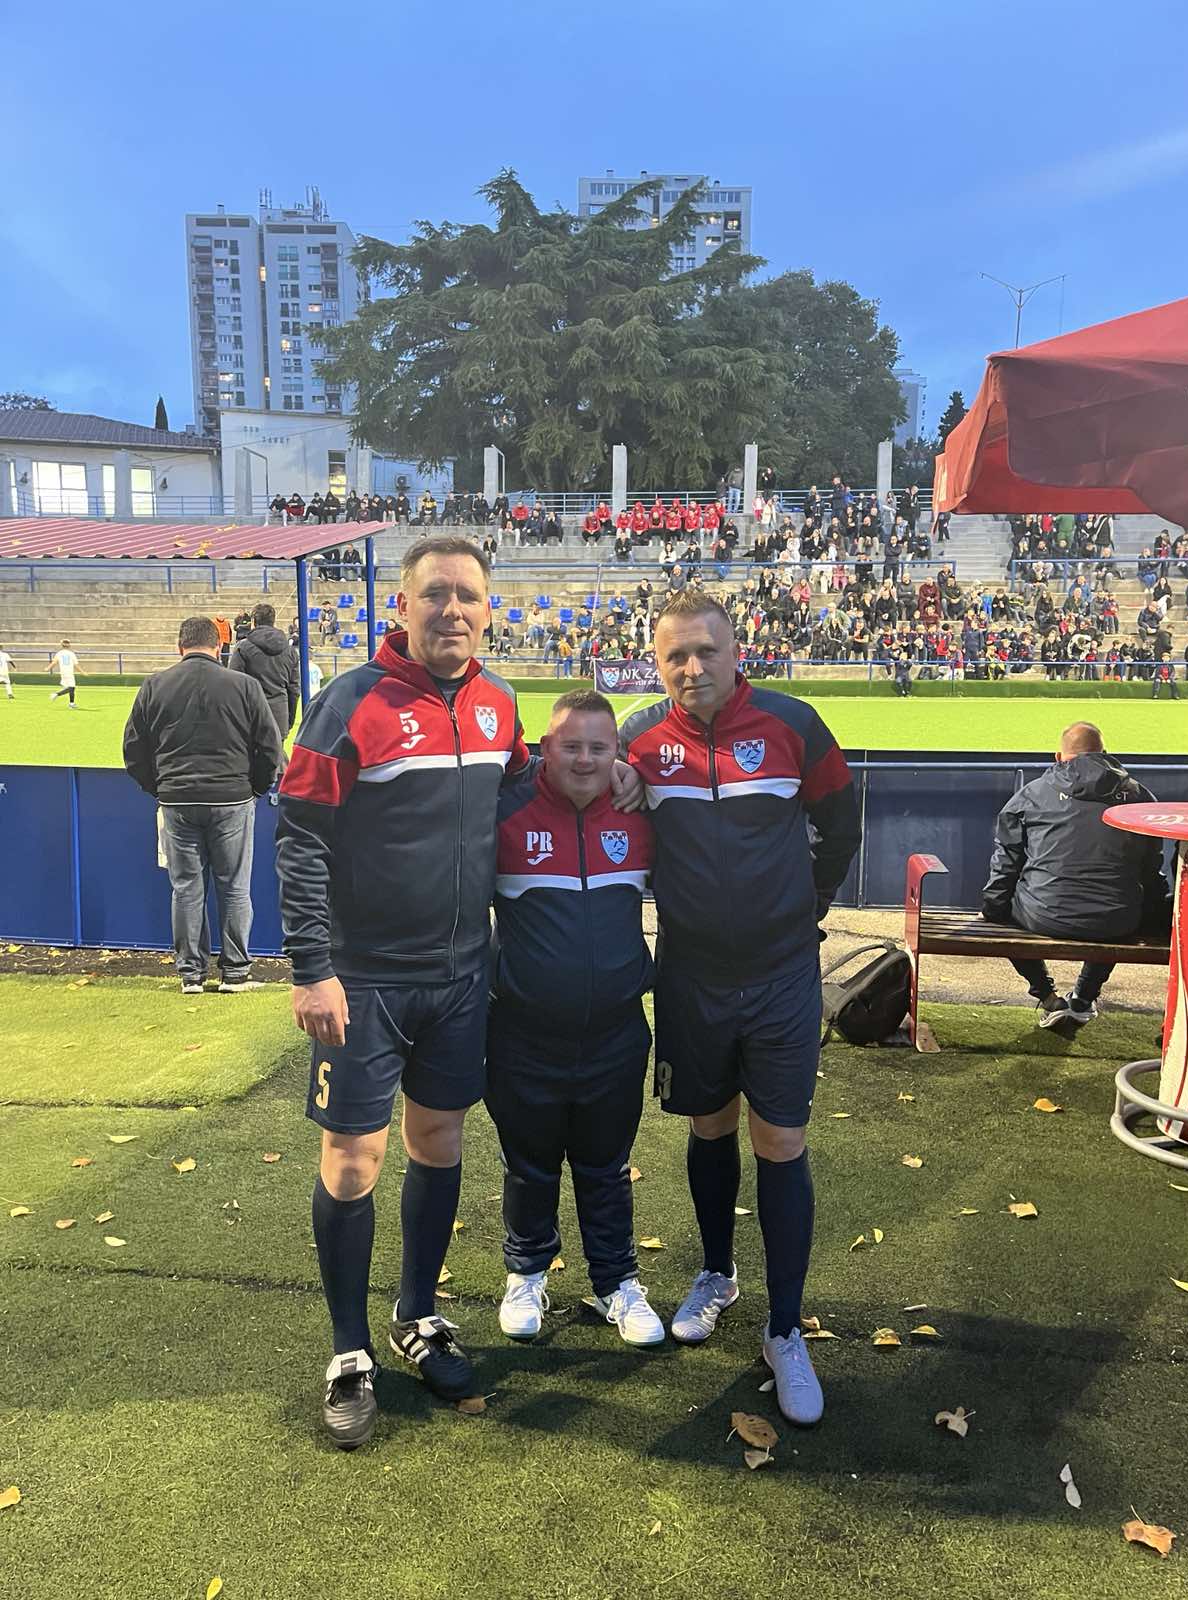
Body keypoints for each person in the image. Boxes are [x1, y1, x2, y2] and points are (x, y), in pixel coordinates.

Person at [275, 535, 641, 1450]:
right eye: (434, 593)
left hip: (461, 973)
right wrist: (312, 967)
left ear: (488, 609)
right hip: (365, 977)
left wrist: (617, 771)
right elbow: (300, 837)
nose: (451, 610)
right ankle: (349, 1350)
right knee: (352, 1161)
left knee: (437, 1142)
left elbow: (527, 782)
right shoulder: (349, 702)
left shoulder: (498, 703)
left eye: (467, 595)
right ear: (401, 605)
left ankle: (417, 1314)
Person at [621, 590, 861, 1427]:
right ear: (658, 664)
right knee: (709, 1124)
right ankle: (717, 1275)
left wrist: (809, 906)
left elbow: (842, 824)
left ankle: (784, 1329)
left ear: (736, 651)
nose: (692, 668)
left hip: (782, 973)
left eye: (706, 651)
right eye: (675, 656)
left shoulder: (795, 725)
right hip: (690, 976)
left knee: (781, 1139)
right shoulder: (639, 740)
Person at [487, 690, 663, 1347]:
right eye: (571, 746)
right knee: (528, 1165)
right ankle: (526, 1273)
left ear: (617, 752)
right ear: (545, 749)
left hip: (616, 1033)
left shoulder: (641, 813)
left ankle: (617, 1282)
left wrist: (638, 773)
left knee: (606, 1166)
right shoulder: (505, 811)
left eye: (599, 747)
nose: (585, 759)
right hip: (522, 1033)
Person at [122, 617, 283, 995]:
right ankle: (235, 973)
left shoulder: (155, 685)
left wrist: (160, 788)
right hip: (232, 798)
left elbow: (133, 749)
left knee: (186, 889)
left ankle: (191, 975)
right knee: (234, 887)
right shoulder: (244, 685)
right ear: (219, 646)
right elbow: (269, 746)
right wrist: (256, 788)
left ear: (180, 646)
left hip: (178, 799)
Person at [980, 721, 1171, 1030]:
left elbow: (1005, 866)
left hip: (1042, 916)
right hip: (1116, 921)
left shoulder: (1031, 794)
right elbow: (1150, 873)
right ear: (1105, 754)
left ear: (1058, 757)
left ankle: (1047, 996)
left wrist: (992, 909)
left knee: (1001, 909)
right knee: (1116, 904)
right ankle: (1083, 998)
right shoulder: (1140, 796)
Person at [228, 603, 300, 739]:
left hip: (250, 718)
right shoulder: (290, 651)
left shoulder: (243, 648)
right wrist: (289, 720)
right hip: (278, 716)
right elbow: (294, 690)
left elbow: (234, 686)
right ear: (273, 621)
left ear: (253, 622)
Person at [48, 639, 81, 707]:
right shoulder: (71, 654)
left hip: (63, 672)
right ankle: (56, 694)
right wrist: (82, 672)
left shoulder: (59, 653)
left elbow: (54, 662)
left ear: (61, 645)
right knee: (72, 687)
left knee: (70, 688)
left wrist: (48, 668)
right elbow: (76, 665)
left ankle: (71, 703)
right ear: (69, 645)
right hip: (69, 672)